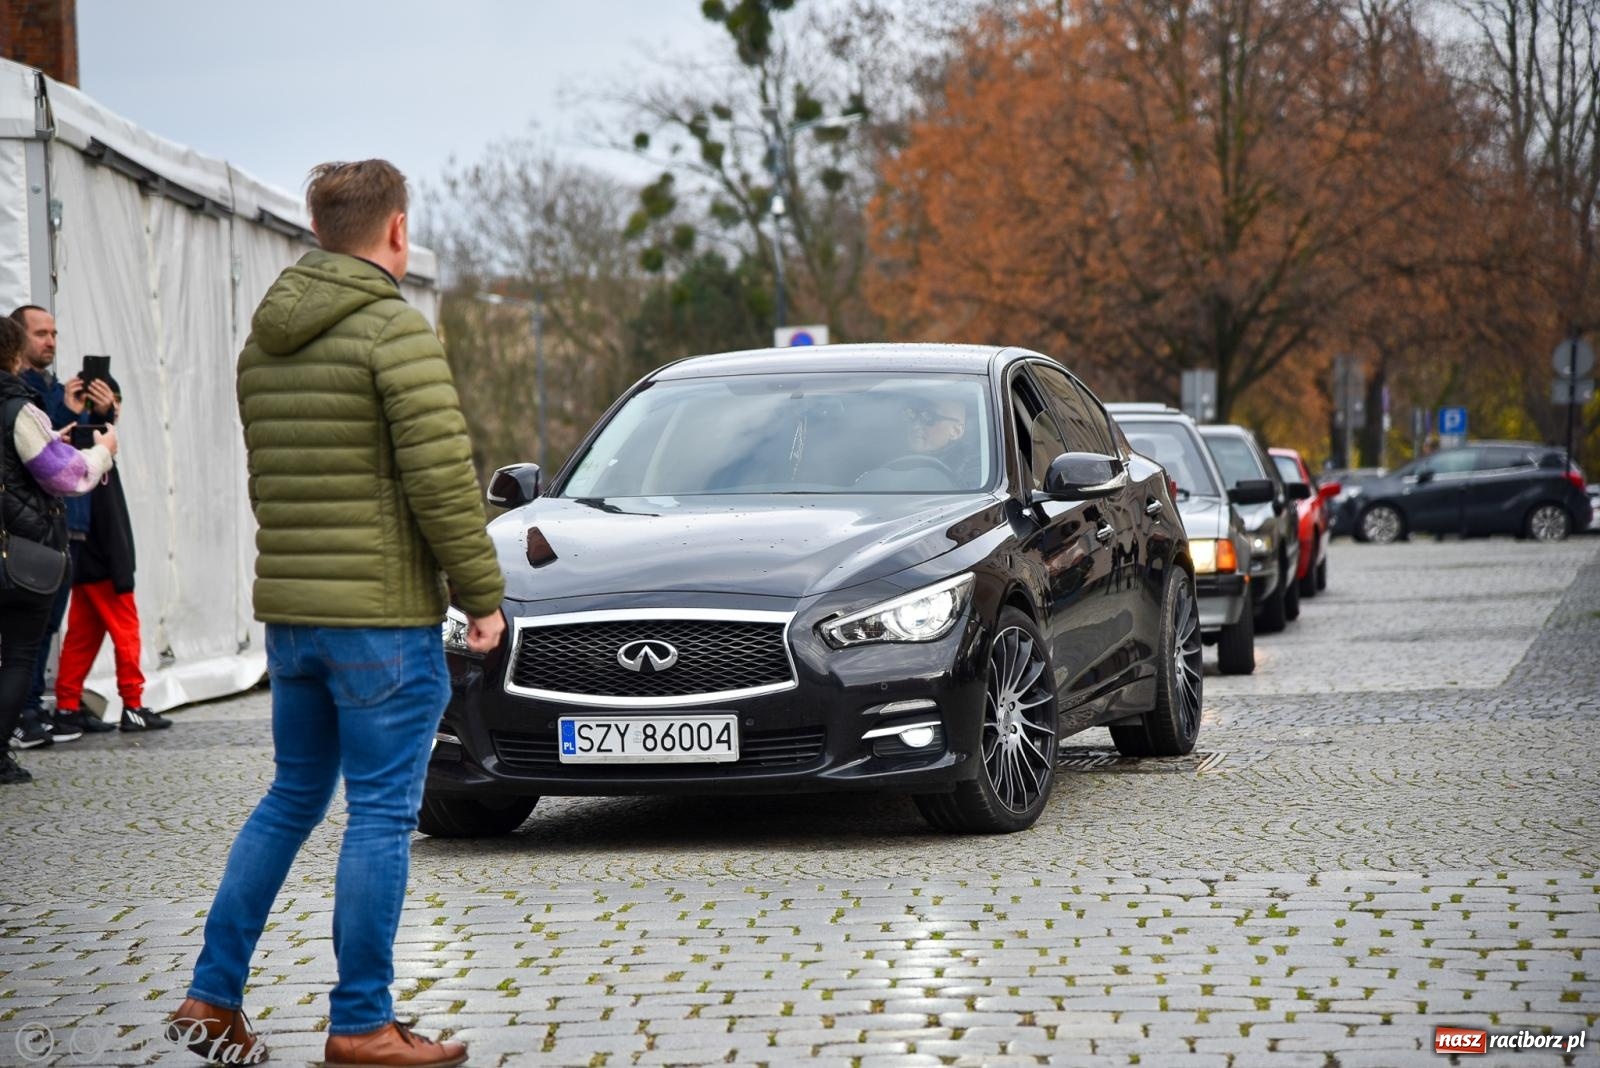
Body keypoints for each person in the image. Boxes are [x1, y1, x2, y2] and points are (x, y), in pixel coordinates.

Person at [169, 160, 505, 1068]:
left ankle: (211, 996)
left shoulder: (264, 342)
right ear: (397, 230)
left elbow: (273, 482)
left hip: (295, 618)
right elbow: (441, 481)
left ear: (318, 230)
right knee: (382, 814)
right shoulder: (394, 332)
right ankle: (361, 1023)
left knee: (290, 798)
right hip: (381, 621)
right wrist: (481, 595)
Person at [0, 315, 117, 781]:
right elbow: (64, 475)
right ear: (14, 355)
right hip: (19, 553)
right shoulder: (17, 408)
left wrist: (52, 439)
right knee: (19, 654)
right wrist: (103, 450)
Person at [51, 367, 171, 733]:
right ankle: (132, 705)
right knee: (124, 631)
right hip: (105, 558)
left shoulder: (74, 450)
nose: (116, 411)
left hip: (84, 556)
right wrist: (122, 566)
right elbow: (107, 515)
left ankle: (67, 706)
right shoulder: (95, 452)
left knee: (82, 635)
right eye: (113, 403)